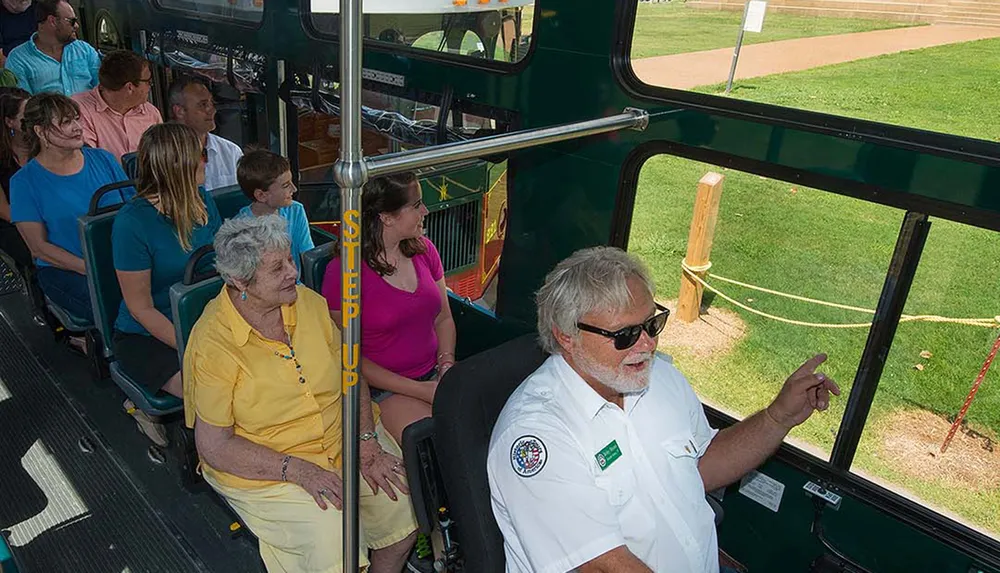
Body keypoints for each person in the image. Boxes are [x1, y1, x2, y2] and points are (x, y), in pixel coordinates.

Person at [487, 246, 841, 573]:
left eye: (652, 324)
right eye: (625, 335)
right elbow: (602, 566)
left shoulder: (661, 379)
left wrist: (778, 417)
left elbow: (701, 467)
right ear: (566, 335)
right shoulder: (536, 435)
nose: (648, 344)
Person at [184, 215, 418, 573]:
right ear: (238, 281)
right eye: (277, 268)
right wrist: (296, 470)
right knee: (336, 544)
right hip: (270, 463)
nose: (293, 272)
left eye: (291, 260)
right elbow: (214, 445)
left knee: (401, 505)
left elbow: (350, 374)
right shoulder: (212, 343)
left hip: (344, 438)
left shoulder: (307, 303)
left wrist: (367, 441)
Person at [322, 172, 457, 446]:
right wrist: (420, 390)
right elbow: (348, 356)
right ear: (387, 217)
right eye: (416, 205)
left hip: (436, 374)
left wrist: (446, 364)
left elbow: (443, 318)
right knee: (436, 442)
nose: (425, 210)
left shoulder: (425, 250)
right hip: (381, 390)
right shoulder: (344, 272)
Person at [112, 123, 220, 446]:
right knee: (216, 394)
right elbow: (140, 307)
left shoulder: (202, 200)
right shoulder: (131, 224)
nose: (206, 161)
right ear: (179, 167)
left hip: (206, 319)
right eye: (200, 155)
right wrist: (193, 345)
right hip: (149, 335)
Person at [10, 93, 127, 330]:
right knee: (118, 306)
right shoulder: (24, 182)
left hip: (118, 259)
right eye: (65, 122)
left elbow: (132, 211)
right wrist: (94, 268)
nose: (77, 128)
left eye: (76, 119)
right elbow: (39, 248)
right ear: (40, 131)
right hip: (67, 270)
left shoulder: (103, 159)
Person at [234, 149, 313, 277]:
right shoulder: (239, 229)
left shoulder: (296, 210)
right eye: (286, 185)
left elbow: (308, 255)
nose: (294, 189)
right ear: (261, 195)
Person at [73, 49, 161, 163]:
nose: (150, 86)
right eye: (148, 81)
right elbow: (89, 162)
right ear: (130, 87)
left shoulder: (151, 113)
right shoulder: (78, 109)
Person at [5, 0, 100, 96]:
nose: (76, 26)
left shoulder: (85, 50)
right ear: (53, 21)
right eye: (72, 21)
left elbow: (102, 88)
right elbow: (22, 105)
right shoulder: (18, 59)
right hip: (47, 111)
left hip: (90, 110)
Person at [168, 76, 242, 190]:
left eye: (211, 103)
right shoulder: (164, 155)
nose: (212, 110)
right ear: (180, 111)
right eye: (203, 105)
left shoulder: (231, 152)